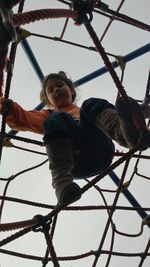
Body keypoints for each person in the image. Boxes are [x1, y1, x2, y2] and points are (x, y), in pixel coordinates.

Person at [0, 71, 149, 205]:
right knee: (57, 118)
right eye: (50, 90)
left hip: (100, 150)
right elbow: (23, 120)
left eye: (59, 85)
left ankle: (128, 136)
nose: (56, 89)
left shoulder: (85, 111)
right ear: (48, 101)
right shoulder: (48, 115)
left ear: (71, 90)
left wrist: (137, 115)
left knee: (92, 104)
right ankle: (62, 183)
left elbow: (116, 114)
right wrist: (11, 109)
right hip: (72, 162)